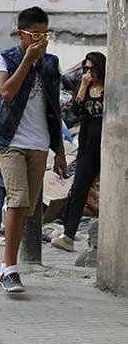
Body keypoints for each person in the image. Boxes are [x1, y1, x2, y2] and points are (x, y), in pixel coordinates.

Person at [0, 6, 67, 293]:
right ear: (21, 33)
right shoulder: (4, 58)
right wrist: (28, 60)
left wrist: (60, 150)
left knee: (25, 209)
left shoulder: (51, 62)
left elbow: (54, 108)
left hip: (39, 143)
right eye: (35, 34)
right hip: (9, 140)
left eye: (45, 34)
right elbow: (6, 92)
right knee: (18, 201)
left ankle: (8, 265)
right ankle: (9, 268)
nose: (41, 40)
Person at [52, 52, 106, 252]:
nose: (89, 72)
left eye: (92, 68)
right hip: (88, 146)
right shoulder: (85, 88)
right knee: (79, 189)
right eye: (86, 69)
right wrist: (83, 87)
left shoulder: (111, 88)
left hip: (108, 146)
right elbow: (73, 114)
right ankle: (68, 235)